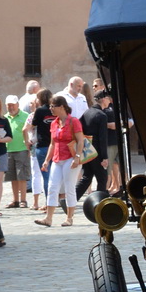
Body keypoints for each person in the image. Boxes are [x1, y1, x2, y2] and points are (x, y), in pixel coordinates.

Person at [38, 93, 81, 227]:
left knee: (69, 188)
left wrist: (77, 157)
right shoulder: (54, 123)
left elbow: (80, 140)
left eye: (53, 106)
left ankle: (69, 218)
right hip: (57, 158)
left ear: (61, 107)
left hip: (71, 158)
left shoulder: (73, 121)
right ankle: (48, 218)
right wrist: (46, 160)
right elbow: (53, 143)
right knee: (52, 187)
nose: (50, 108)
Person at [76, 86, 112, 199]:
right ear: (103, 99)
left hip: (87, 149)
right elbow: (102, 138)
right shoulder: (101, 115)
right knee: (102, 178)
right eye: (108, 98)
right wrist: (104, 157)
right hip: (96, 152)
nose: (109, 101)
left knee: (87, 177)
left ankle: (69, 200)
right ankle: (100, 203)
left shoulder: (87, 112)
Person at [26, 89, 55, 205]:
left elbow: (32, 125)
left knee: (46, 176)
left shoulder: (39, 111)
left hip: (43, 146)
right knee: (56, 176)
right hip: (55, 146)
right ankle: (55, 200)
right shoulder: (55, 109)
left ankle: (49, 202)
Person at [5, 95, 31, 207]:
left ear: (18, 105)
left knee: (22, 176)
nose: (11, 107)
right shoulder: (5, 117)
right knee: (12, 176)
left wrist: (29, 147)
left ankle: (23, 200)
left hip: (22, 149)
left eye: (13, 105)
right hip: (9, 149)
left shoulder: (25, 116)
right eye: (9, 105)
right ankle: (15, 200)